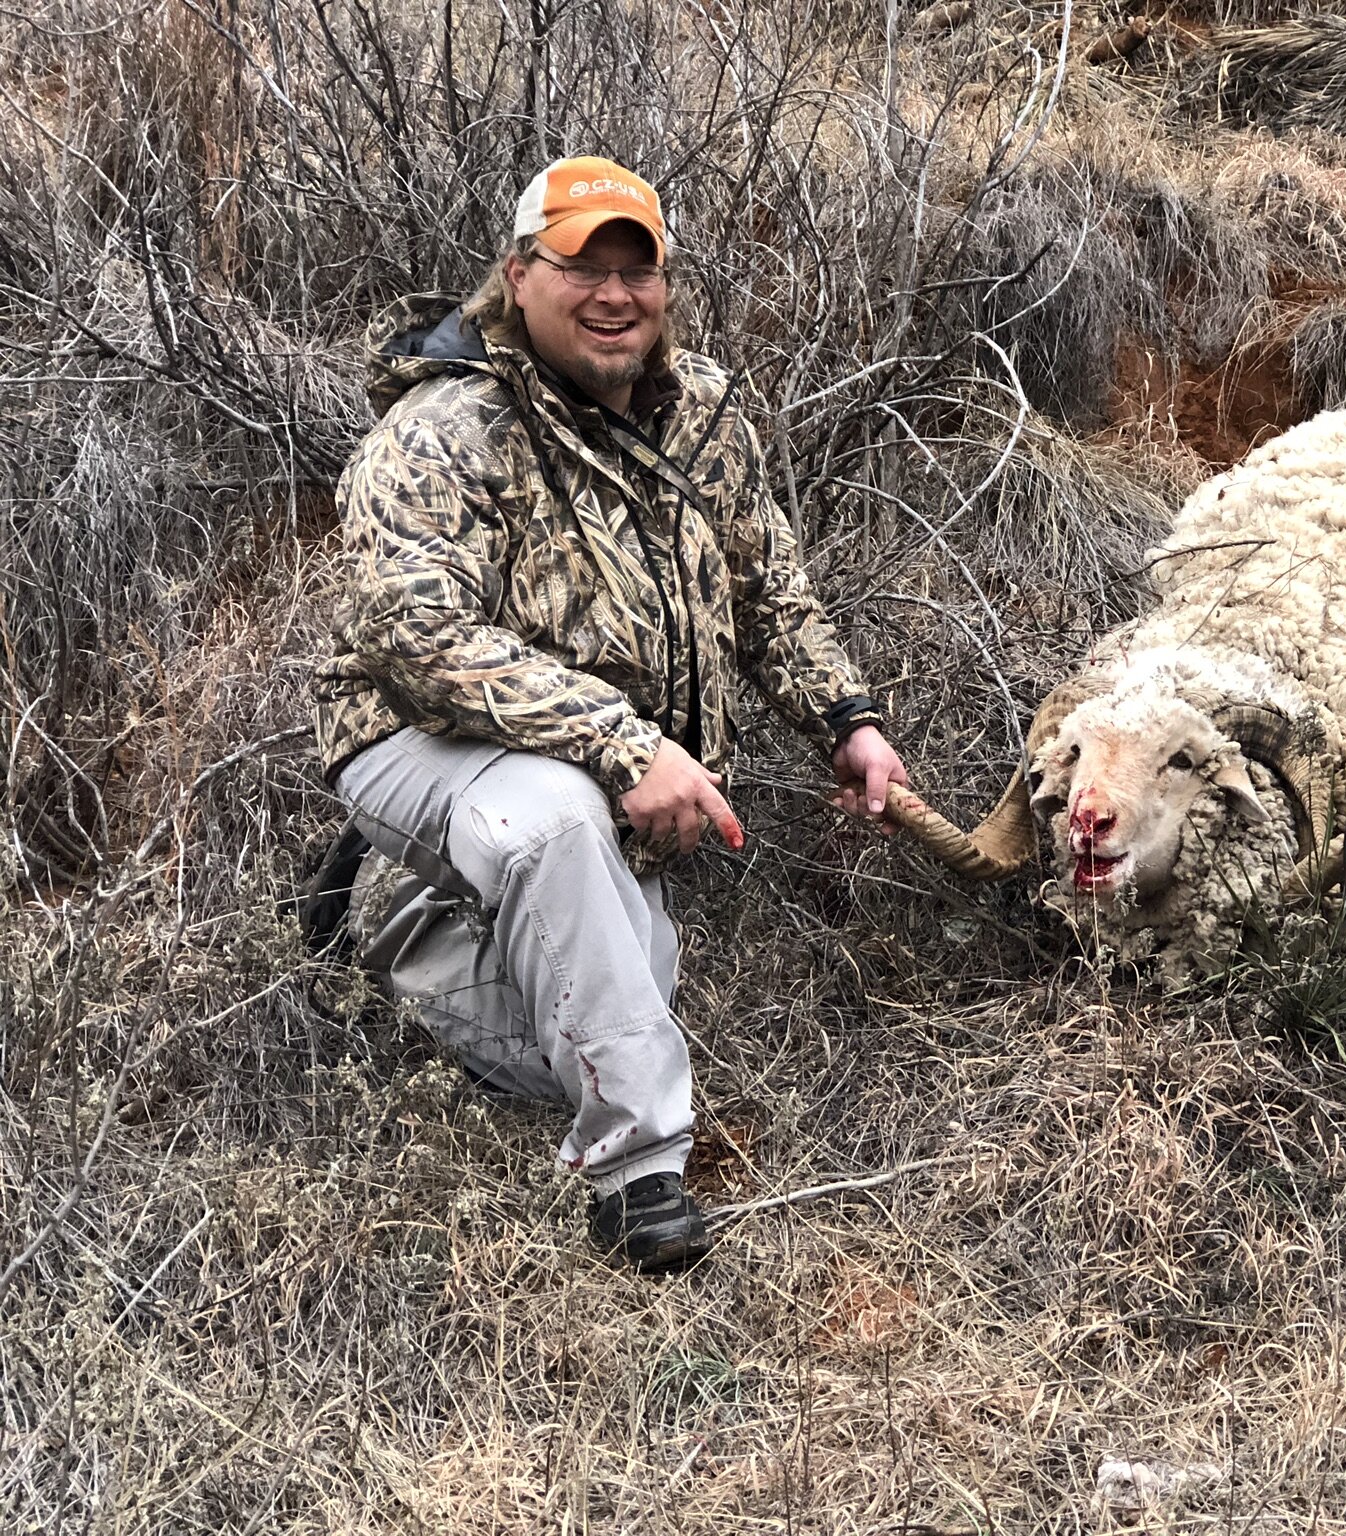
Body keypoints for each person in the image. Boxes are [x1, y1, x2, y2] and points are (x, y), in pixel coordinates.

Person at [310, 156, 907, 1272]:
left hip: (602, 774)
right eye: (583, 267)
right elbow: (417, 638)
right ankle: (637, 1180)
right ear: (518, 277)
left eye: (639, 269)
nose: (614, 294)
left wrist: (847, 723)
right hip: (416, 738)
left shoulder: (705, 410)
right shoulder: (444, 428)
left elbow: (765, 589)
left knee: (611, 1012)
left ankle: (390, 939)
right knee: (552, 829)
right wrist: (630, 745)